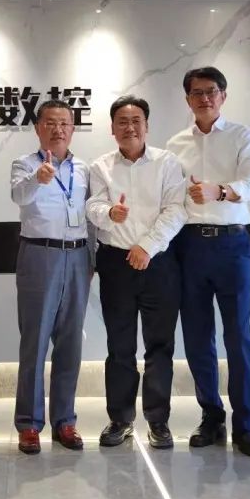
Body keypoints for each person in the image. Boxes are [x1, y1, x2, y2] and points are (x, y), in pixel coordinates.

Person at [166, 66, 250, 457]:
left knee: (238, 336)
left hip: (232, 245)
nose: (204, 98)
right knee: (196, 337)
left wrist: (219, 191)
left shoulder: (242, 136)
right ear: (187, 99)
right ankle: (211, 416)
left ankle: (245, 424)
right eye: (196, 93)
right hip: (189, 246)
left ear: (223, 95)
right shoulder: (175, 145)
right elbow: (170, 196)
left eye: (211, 91)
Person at [86, 95, 187, 449]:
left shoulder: (167, 162)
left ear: (147, 126)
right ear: (112, 129)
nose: (129, 127)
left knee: (160, 346)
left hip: (158, 263)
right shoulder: (100, 166)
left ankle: (158, 421)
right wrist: (108, 213)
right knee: (119, 346)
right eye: (122, 122)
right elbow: (93, 205)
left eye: (136, 121)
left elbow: (176, 209)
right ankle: (120, 419)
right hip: (116, 263)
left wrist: (147, 246)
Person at [10, 99, 91, 454]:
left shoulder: (85, 169)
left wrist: (94, 259)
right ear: (37, 127)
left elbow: (91, 213)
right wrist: (38, 179)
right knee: (35, 341)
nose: (58, 129)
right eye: (50, 123)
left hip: (78, 256)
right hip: (39, 254)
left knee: (71, 343)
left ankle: (65, 421)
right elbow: (18, 195)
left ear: (72, 129)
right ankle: (29, 424)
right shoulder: (24, 165)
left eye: (64, 123)